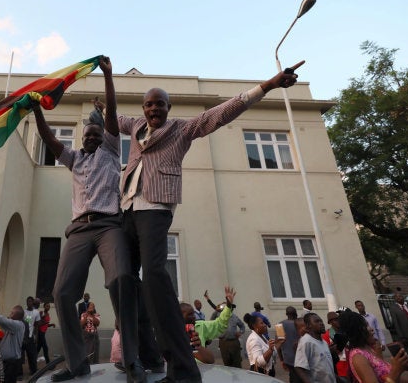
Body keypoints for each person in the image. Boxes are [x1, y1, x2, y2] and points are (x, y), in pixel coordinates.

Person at [118, 61, 303, 383]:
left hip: (155, 208)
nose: (153, 109)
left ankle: (182, 367)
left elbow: (221, 113)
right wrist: (106, 79)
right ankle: (145, 356)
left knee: (156, 278)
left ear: (168, 107)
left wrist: (269, 85)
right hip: (127, 209)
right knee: (123, 281)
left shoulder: (181, 129)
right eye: (148, 104)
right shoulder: (134, 127)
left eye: (159, 103)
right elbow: (110, 120)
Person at [32, 56, 146, 383]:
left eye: (97, 134)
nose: (93, 138)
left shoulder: (111, 150)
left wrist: (108, 77)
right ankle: (77, 363)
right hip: (80, 230)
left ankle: (132, 358)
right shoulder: (74, 159)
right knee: (63, 293)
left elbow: (111, 114)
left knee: (121, 279)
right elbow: (50, 140)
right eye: (89, 135)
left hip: (109, 225)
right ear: (83, 139)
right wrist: (36, 108)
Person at [340, 310, 408, 383]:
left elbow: (384, 376)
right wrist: (396, 370)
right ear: (359, 331)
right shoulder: (358, 357)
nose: (372, 329)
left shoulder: (369, 349)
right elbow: (392, 375)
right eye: (366, 325)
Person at [181, 286, 238, 365]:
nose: (193, 317)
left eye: (193, 314)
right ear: (179, 316)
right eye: (189, 315)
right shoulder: (173, 331)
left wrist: (228, 306)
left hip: (201, 372)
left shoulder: (201, 325)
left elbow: (219, 324)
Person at [0, 304, 25, 383]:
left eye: (12, 313)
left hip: (11, 363)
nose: (10, 314)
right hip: (6, 362)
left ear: (17, 316)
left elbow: (4, 320)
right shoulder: (12, 326)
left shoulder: (17, 325)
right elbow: (2, 324)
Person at [294, 313, 335, 383]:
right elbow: (299, 367)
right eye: (317, 321)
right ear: (308, 325)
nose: (321, 323)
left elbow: (326, 369)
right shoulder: (306, 341)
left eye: (321, 321)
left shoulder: (324, 342)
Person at [276, 306, 303, 383]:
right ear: (296, 314)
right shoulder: (300, 324)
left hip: (288, 359)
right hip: (301, 358)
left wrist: (281, 360)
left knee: (293, 377)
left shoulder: (279, 325)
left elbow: (278, 345)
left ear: (286, 314)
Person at [323, 311, 349, 381]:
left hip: (350, 366)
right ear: (330, 322)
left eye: (338, 319)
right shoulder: (326, 335)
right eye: (335, 320)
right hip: (338, 368)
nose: (338, 321)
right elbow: (325, 353)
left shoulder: (346, 332)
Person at [22, 296, 40, 377]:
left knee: (31, 355)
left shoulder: (36, 312)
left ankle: (33, 370)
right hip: (22, 337)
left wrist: (36, 336)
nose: (29, 303)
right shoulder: (24, 312)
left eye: (30, 301)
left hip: (30, 337)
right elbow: (23, 323)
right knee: (20, 355)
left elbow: (36, 326)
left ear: (33, 302)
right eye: (27, 301)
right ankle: (19, 373)